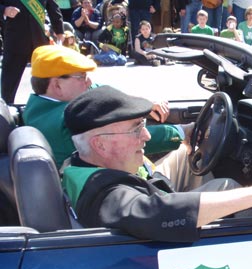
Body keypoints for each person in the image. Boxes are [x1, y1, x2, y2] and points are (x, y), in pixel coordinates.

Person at [62, 85, 252, 242]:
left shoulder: (84, 164)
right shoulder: (102, 195)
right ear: (100, 143)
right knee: (231, 188)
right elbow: (156, 212)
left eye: (144, 125)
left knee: (188, 152)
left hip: (151, 184)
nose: (146, 135)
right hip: (158, 214)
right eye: (135, 129)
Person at [21, 45, 186, 173]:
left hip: (115, 181)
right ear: (57, 84)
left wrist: (143, 104)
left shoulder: (37, 107)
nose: (89, 82)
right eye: (82, 77)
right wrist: (182, 132)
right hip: (119, 190)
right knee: (189, 158)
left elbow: (99, 90)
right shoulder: (68, 120)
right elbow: (127, 142)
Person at [0, 0, 64, 105]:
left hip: (39, 40)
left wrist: (59, 31)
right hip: (15, 40)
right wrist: (4, 10)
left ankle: (46, 107)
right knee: (9, 81)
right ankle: (6, 109)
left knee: (46, 81)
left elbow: (52, 7)